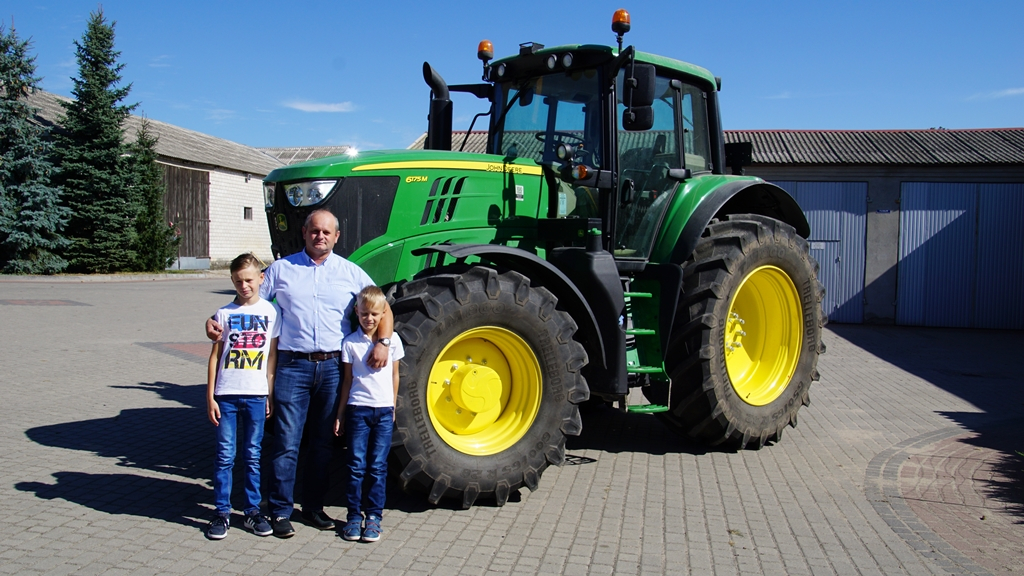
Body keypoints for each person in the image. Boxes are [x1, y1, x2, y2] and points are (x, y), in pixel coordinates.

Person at [205, 209, 393, 538]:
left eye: (327, 232)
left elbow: (383, 307)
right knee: (287, 443)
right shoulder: (280, 269)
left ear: (337, 237)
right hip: (292, 366)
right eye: (314, 231)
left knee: (322, 444)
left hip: (334, 367)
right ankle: (279, 510)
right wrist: (214, 319)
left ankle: (313, 507)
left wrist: (384, 343)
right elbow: (247, 298)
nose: (320, 236)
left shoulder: (350, 272)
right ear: (305, 233)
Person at [205, 253, 280, 540]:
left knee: (253, 455)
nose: (244, 286)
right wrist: (210, 396)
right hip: (226, 395)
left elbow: (272, 357)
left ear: (261, 278)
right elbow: (214, 358)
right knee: (225, 456)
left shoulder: (271, 313)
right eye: (238, 281)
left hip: (256, 395)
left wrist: (269, 394)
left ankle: (251, 511)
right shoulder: (223, 314)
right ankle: (221, 512)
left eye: (249, 280)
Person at [334, 286, 404, 542]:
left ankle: (374, 517)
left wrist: (393, 406)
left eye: (375, 314)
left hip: (384, 411)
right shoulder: (350, 343)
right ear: (357, 311)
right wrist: (341, 413)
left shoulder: (393, 341)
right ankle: (354, 516)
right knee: (355, 466)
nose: (369, 319)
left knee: (377, 467)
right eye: (364, 313)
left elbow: (395, 376)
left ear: (383, 312)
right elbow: (347, 382)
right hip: (357, 410)